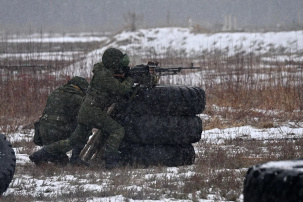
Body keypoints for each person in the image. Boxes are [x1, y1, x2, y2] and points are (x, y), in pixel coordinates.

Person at [29, 48, 134, 169]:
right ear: (113, 62)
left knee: (72, 142)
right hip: (93, 111)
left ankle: (40, 154)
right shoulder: (104, 76)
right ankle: (110, 162)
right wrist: (130, 78)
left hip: (87, 111)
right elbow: (122, 89)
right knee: (117, 130)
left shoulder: (102, 71)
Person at [31, 76, 89, 166]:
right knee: (84, 129)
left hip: (43, 131)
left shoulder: (55, 93)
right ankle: (74, 158)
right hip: (58, 131)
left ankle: (46, 155)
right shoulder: (76, 98)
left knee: (62, 161)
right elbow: (82, 118)